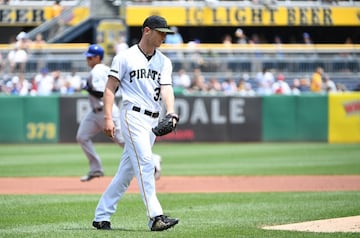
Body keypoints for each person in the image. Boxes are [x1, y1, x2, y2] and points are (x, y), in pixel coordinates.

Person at [93, 15, 179, 231]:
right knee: (145, 163)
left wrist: (171, 113)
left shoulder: (164, 61)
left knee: (127, 172)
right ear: (147, 31)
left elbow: (167, 88)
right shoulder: (125, 57)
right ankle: (155, 216)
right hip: (132, 115)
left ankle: (101, 215)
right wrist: (107, 118)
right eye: (161, 33)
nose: (164, 38)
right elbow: (110, 88)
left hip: (152, 119)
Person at [77, 44, 163, 182]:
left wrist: (87, 88)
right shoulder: (105, 69)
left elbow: (102, 93)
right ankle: (96, 169)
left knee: (125, 142)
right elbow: (114, 88)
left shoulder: (98, 71)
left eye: (90, 57)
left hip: (107, 111)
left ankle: (153, 159)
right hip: (94, 113)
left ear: (98, 57)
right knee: (82, 136)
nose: (88, 60)